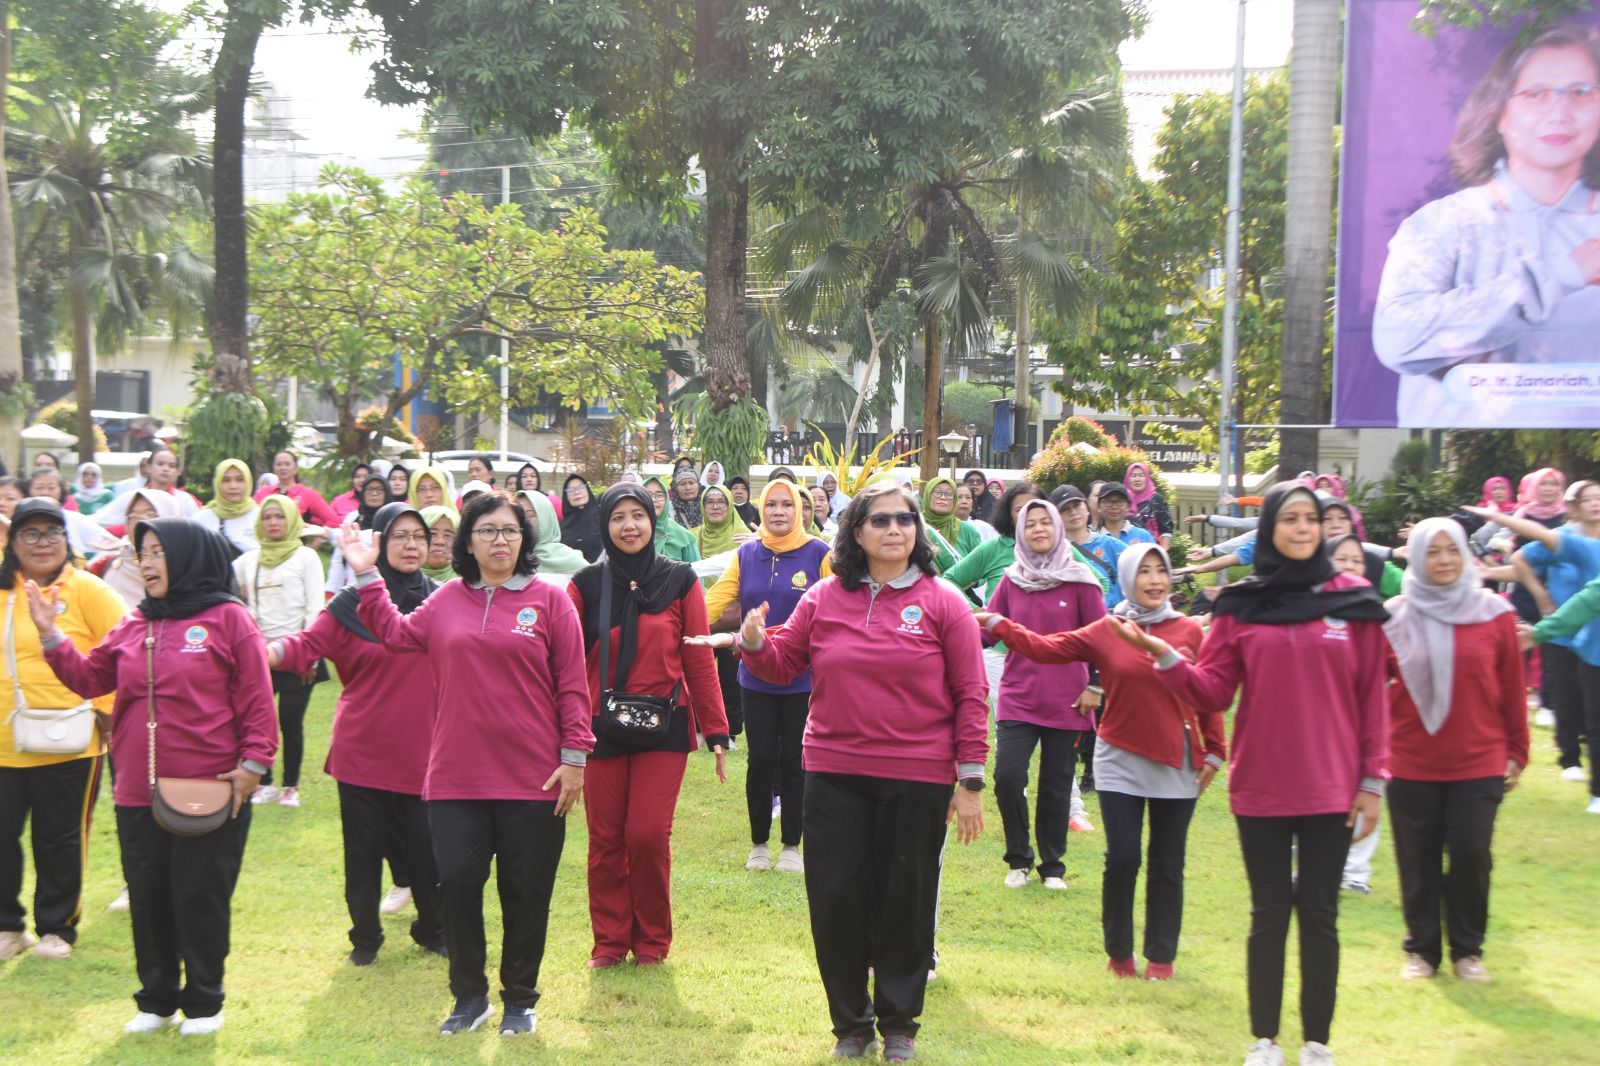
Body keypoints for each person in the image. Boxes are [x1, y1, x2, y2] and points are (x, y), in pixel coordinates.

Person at [1109, 484, 1389, 1066]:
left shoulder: (1354, 602)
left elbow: (1372, 701)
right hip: (1261, 786)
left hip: (1333, 786)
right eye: (1291, 519)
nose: (1304, 527)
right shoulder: (1240, 605)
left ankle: (1316, 1044)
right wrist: (1163, 656)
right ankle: (1264, 1040)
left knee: (1319, 914)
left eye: (1312, 519)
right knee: (1268, 914)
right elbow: (1213, 689)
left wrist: (1372, 783)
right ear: (1269, 532)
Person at [707, 482, 988, 1063]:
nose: (894, 529)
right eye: (880, 520)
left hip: (916, 777)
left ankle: (900, 1024)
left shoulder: (945, 603)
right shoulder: (825, 597)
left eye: (904, 520)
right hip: (833, 773)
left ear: (917, 532)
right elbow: (784, 663)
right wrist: (755, 642)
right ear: (856, 531)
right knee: (835, 897)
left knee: (904, 898)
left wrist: (970, 782)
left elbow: (971, 694)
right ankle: (851, 1028)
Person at [338, 491, 591, 1036]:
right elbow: (395, 634)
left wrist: (575, 758)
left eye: (510, 531)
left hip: (533, 777)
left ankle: (520, 998)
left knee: (525, 892)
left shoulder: (550, 599)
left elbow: (573, 685)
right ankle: (469, 997)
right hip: (456, 777)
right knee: (454, 883)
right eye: (488, 531)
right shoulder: (447, 599)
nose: (500, 540)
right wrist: (365, 573)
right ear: (467, 542)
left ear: (524, 540)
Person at [34, 516, 275, 1034]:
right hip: (136, 792)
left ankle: (205, 1002)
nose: (147, 564)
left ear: (188, 555)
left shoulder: (229, 619)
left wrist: (253, 767)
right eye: (141, 553)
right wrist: (51, 635)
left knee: (199, 896)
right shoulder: (134, 622)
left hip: (211, 788)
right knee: (148, 895)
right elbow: (88, 677)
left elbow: (257, 701)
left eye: (159, 552)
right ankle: (157, 1001)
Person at [979, 542, 1216, 980]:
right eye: (1143, 572)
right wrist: (1000, 624)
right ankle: (1120, 956)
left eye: (1160, 571)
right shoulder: (1109, 629)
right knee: (1123, 857)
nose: (1154, 581)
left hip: (1176, 762)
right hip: (1119, 758)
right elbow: (1046, 647)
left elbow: (1206, 696)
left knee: (1168, 862)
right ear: (1128, 577)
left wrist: (1215, 749)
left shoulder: (1188, 631)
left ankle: (1161, 958)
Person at [1373, 24, 1600, 427]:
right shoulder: (1443, 224)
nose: (1560, 112)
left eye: (1581, 92)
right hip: (1458, 451)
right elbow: (1398, 341)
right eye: (1536, 95)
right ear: (1498, 114)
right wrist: (1561, 276)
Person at [266, 503, 446, 965]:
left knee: (428, 855)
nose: (411, 545)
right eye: (399, 536)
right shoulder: (349, 605)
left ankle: (433, 930)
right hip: (362, 753)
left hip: (425, 756)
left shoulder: (440, 601)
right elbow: (306, 647)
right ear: (378, 543)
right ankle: (365, 939)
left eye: (418, 537)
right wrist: (263, 651)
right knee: (363, 854)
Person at [569, 485, 729, 967]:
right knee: (605, 840)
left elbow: (698, 658)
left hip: (665, 726)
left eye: (638, 515)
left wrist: (717, 730)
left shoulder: (680, 580)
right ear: (605, 525)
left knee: (645, 834)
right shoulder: (585, 584)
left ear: (652, 520)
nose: (629, 526)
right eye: (618, 517)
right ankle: (611, 942)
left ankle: (653, 943)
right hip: (601, 728)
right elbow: (567, 666)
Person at [1383, 518, 1527, 984]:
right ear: (1417, 556)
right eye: (1433, 551)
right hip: (1410, 759)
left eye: (1452, 550)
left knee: (1471, 853)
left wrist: (1517, 751)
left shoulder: (1494, 613)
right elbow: (1369, 688)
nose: (1443, 560)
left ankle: (1468, 951)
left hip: (1479, 757)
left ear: (1465, 554)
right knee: (1417, 857)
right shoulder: (1393, 615)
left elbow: (1511, 687)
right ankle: (1421, 952)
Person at [0, 500, 127, 962]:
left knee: (60, 837)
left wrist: (107, 713)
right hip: (3, 742)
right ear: (12, 544)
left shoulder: (88, 590)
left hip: (69, 741)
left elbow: (125, 651)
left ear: (66, 539)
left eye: (51, 532)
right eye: (29, 534)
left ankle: (58, 927)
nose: (41, 543)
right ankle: (8, 927)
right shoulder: (3, 588)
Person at [703, 479, 831, 872]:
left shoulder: (819, 554)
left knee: (796, 761)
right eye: (771, 505)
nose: (778, 512)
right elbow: (714, 601)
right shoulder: (745, 555)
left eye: (786, 505)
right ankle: (759, 843)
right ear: (761, 510)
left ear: (799, 511)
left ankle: (792, 845)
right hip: (755, 679)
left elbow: (836, 608)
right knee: (760, 760)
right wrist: (677, 630)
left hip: (804, 682)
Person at [978, 500, 1107, 890]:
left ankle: (1052, 866)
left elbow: (1103, 639)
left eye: (1044, 523)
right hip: (1019, 695)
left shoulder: (1081, 580)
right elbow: (987, 630)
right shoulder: (1012, 579)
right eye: (1028, 523)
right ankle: (1019, 859)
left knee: (1055, 783)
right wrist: (951, 619)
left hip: (1068, 699)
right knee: (1007, 776)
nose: (1037, 529)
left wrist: (1095, 685)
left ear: (1057, 528)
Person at [1486, 483, 1600, 786]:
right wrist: (1541, 610)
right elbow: (1532, 546)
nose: (1596, 505)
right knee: (1572, 699)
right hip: (1572, 635)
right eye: (1590, 499)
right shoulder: (1575, 541)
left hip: (1578, 633)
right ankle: (1572, 760)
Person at [234, 496, 325, 809]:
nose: (273, 522)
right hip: (260, 653)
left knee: (290, 719)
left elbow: (315, 607)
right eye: (268, 517)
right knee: (260, 719)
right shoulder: (250, 560)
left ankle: (290, 786)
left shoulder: (306, 557)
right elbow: (245, 607)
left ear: (291, 520)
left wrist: (310, 653)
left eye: (279, 517)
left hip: (300, 651)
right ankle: (265, 782)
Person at [87, 490, 181, 609]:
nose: (139, 523)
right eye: (132, 517)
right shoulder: (107, 564)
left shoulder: (186, 569)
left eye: (150, 515)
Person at [1053, 485, 1126, 606]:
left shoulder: (1112, 545)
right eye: (1065, 509)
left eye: (1077, 505)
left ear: (1087, 508)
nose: (1073, 512)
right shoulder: (1055, 553)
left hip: (1110, 619)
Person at [253, 452, 338, 527]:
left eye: (287, 464)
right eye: (279, 464)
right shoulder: (263, 493)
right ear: (274, 468)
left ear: (296, 468)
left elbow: (334, 521)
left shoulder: (308, 494)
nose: (282, 467)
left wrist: (315, 541)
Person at [519, 491, 587, 582]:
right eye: (519, 515)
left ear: (546, 518)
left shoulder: (572, 561)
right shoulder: (511, 559)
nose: (522, 521)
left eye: (530, 515)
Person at [196, 460, 260, 555]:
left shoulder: (260, 516)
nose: (233, 486)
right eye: (226, 480)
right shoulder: (202, 518)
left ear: (248, 482)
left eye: (239, 480)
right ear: (217, 483)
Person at [922, 477, 982, 574]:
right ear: (928, 495)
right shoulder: (915, 527)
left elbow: (981, 568)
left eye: (949, 494)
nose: (943, 497)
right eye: (937, 492)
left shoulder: (966, 530)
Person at [642, 477, 700, 563]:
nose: (653, 500)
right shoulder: (632, 533)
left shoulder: (682, 536)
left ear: (666, 500)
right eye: (647, 495)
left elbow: (697, 572)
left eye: (659, 495)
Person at [1124, 463, 1173, 547]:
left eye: (1141, 475)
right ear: (1127, 479)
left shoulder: (1156, 499)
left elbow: (1166, 530)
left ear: (1147, 477)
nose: (1137, 479)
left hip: (1152, 549)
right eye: (1133, 475)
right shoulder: (1122, 499)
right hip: (1125, 549)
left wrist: (1162, 553)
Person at [560, 475, 604, 563]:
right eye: (571, 490)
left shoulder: (603, 517)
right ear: (566, 496)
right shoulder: (561, 527)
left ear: (588, 490)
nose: (577, 492)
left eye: (581, 488)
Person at [693, 484, 745, 560]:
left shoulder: (743, 535)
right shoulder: (694, 536)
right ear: (702, 506)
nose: (715, 507)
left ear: (729, 506)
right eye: (710, 502)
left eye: (721, 502)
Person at [419, 506, 459, 583]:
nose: (440, 541)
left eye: (448, 535)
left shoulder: (468, 582)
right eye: (432, 534)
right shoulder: (400, 579)